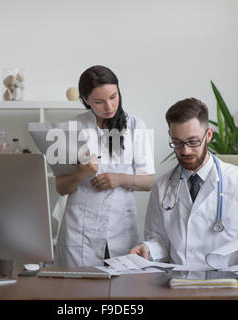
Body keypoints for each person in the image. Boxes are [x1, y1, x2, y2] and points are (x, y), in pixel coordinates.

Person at [130, 98, 238, 268]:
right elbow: (160, 242)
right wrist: (148, 249)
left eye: (193, 142)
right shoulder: (162, 187)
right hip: (180, 284)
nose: (185, 151)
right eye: (177, 143)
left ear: (208, 135)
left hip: (228, 284)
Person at [54, 65, 155, 267]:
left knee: (121, 291)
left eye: (114, 96)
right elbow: (61, 187)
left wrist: (120, 179)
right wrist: (81, 174)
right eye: (99, 101)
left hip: (121, 229)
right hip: (80, 231)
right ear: (85, 100)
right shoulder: (72, 128)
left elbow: (148, 182)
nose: (109, 106)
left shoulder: (135, 125)